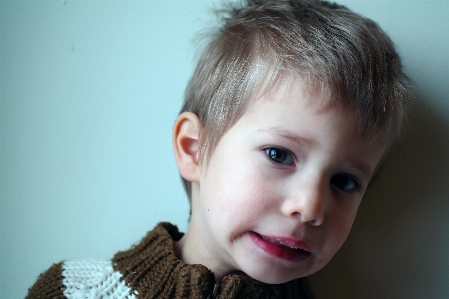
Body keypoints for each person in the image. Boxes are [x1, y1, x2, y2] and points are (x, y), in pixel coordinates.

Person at [25, 0, 411, 298]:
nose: (310, 207)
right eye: (279, 155)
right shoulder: (73, 290)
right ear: (194, 150)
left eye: (344, 181)